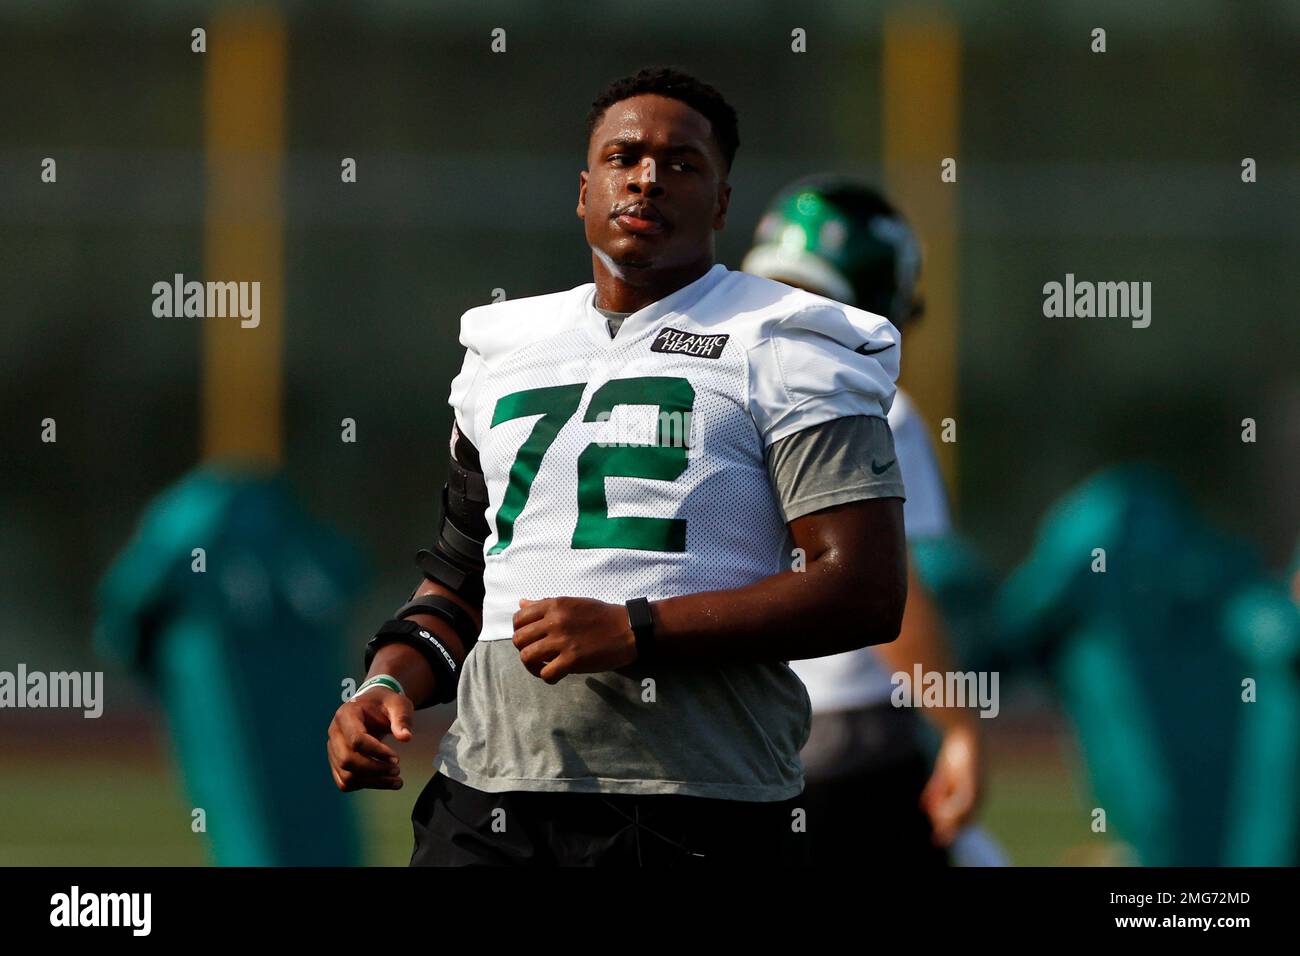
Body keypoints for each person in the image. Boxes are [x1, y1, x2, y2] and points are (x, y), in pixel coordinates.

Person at [325, 67, 910, 866]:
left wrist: (636, 628)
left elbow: (863, 591)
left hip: (698, 801)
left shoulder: (786, 341)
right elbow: (460, 582)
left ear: (723, 202)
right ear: (584, 188)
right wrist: (387, 684)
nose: (647, 177)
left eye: (682, 163)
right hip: (487, 794)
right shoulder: (506, 350)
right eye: (623, 156)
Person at [742, 178, 984, 865]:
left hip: (717, 735)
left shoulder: (701, 388)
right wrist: (961, 727)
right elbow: (886, 596)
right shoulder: (866, 406)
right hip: (845, 748)